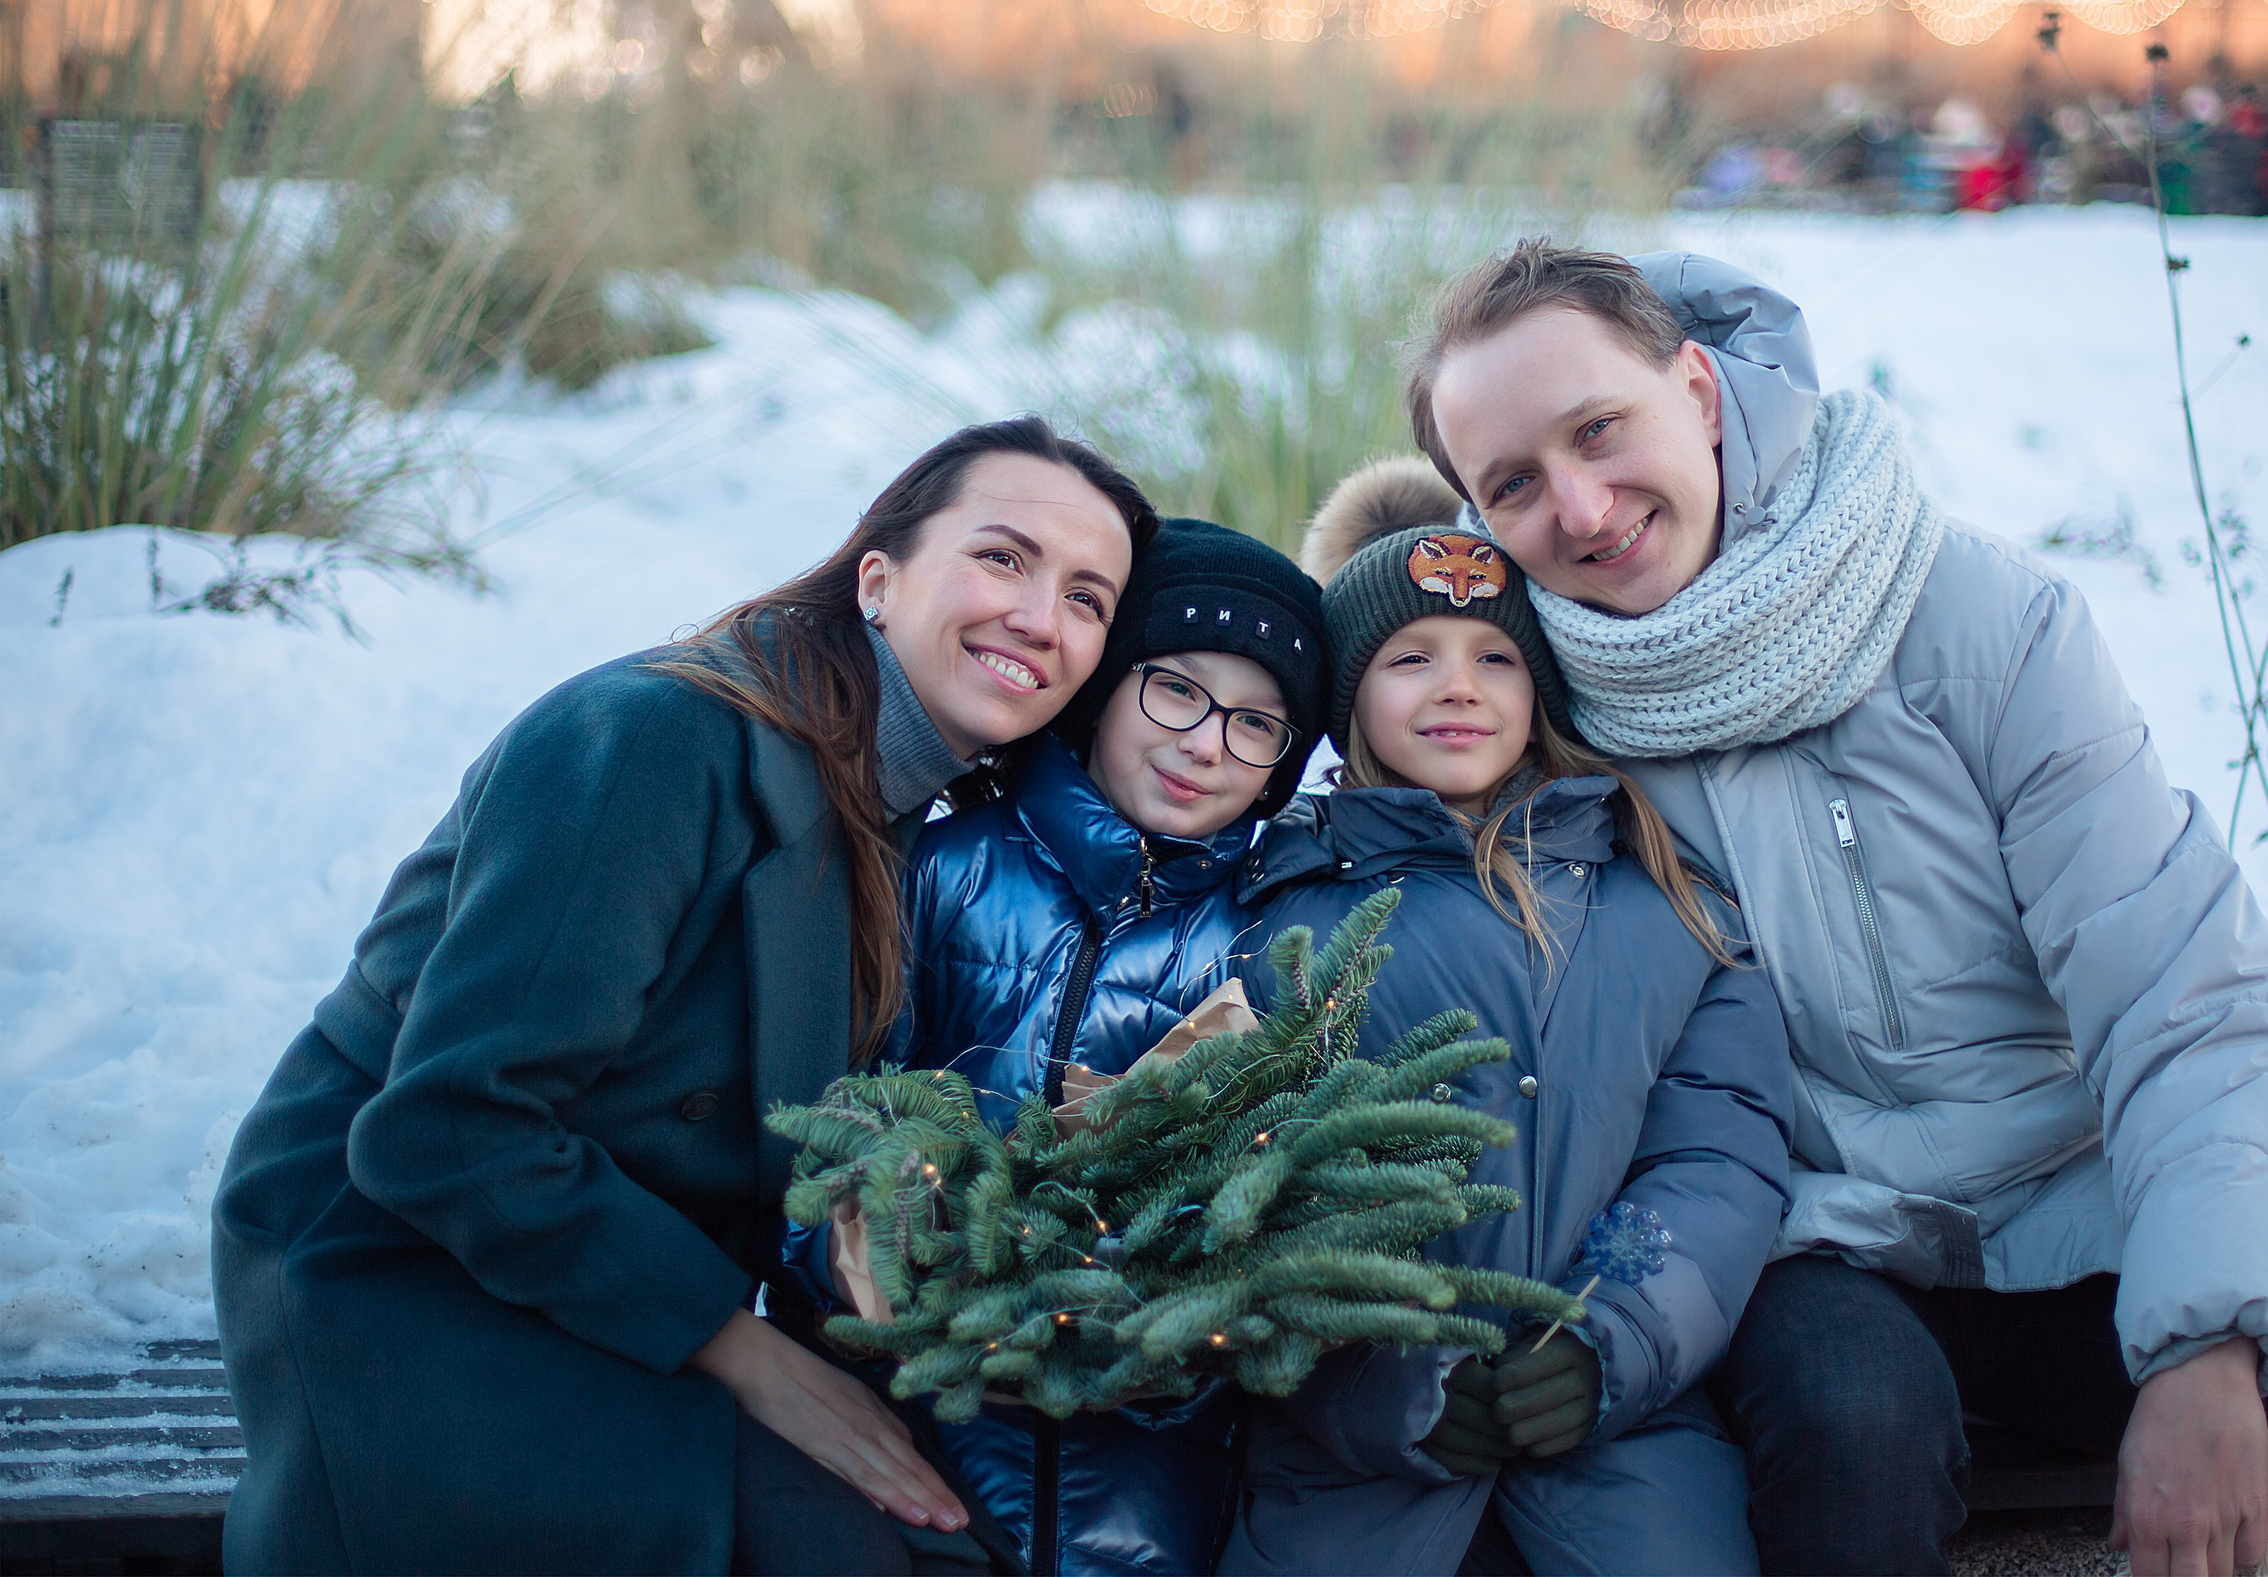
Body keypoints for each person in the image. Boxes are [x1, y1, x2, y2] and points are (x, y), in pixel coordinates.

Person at [1401, 241, 2268, 1577]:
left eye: (1600, 427)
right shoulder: (1535, 707)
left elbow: (2186, 989)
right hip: (1812, 1234)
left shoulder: (1970, 612)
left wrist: (2208, 1340)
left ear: (1701, 390)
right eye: (1514, 482)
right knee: (1855, 1419)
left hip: (2080, 1192)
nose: (1583, 502)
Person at [210, 419, 1157, 1576]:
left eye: (1087, 598)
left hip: (604, 1275)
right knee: (857, 1554)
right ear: (877, 578)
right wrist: (748, 1356)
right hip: (405, 1271)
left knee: (962, 1530)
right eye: (1002, 558)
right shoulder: (657, 741)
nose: (1039, 616)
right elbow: (451, 1130)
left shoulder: (914, 820)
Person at [1214, 463, 1792, 1577]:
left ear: (1541, 690)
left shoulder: (1667, 909)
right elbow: (1254, 1202)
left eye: (1494, 658)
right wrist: (1377, 1382)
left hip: (1627, 1449)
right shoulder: (1278, 919)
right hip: (1353, 1477)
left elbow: (1717, 1157)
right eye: (1407, 658)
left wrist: (1610, 1341)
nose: (1457, 686)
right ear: (1348, 700)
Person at [779, 518, 1330, 1576]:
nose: (1207, 742)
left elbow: (1269, 1191)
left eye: (1258, 725)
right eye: (1176, 690)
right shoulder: (939, 871)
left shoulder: (1266, 933)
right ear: (1103, 690)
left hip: (1151, 1478)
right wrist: (890, 1268)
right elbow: (825, 1118)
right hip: (910, 1429)